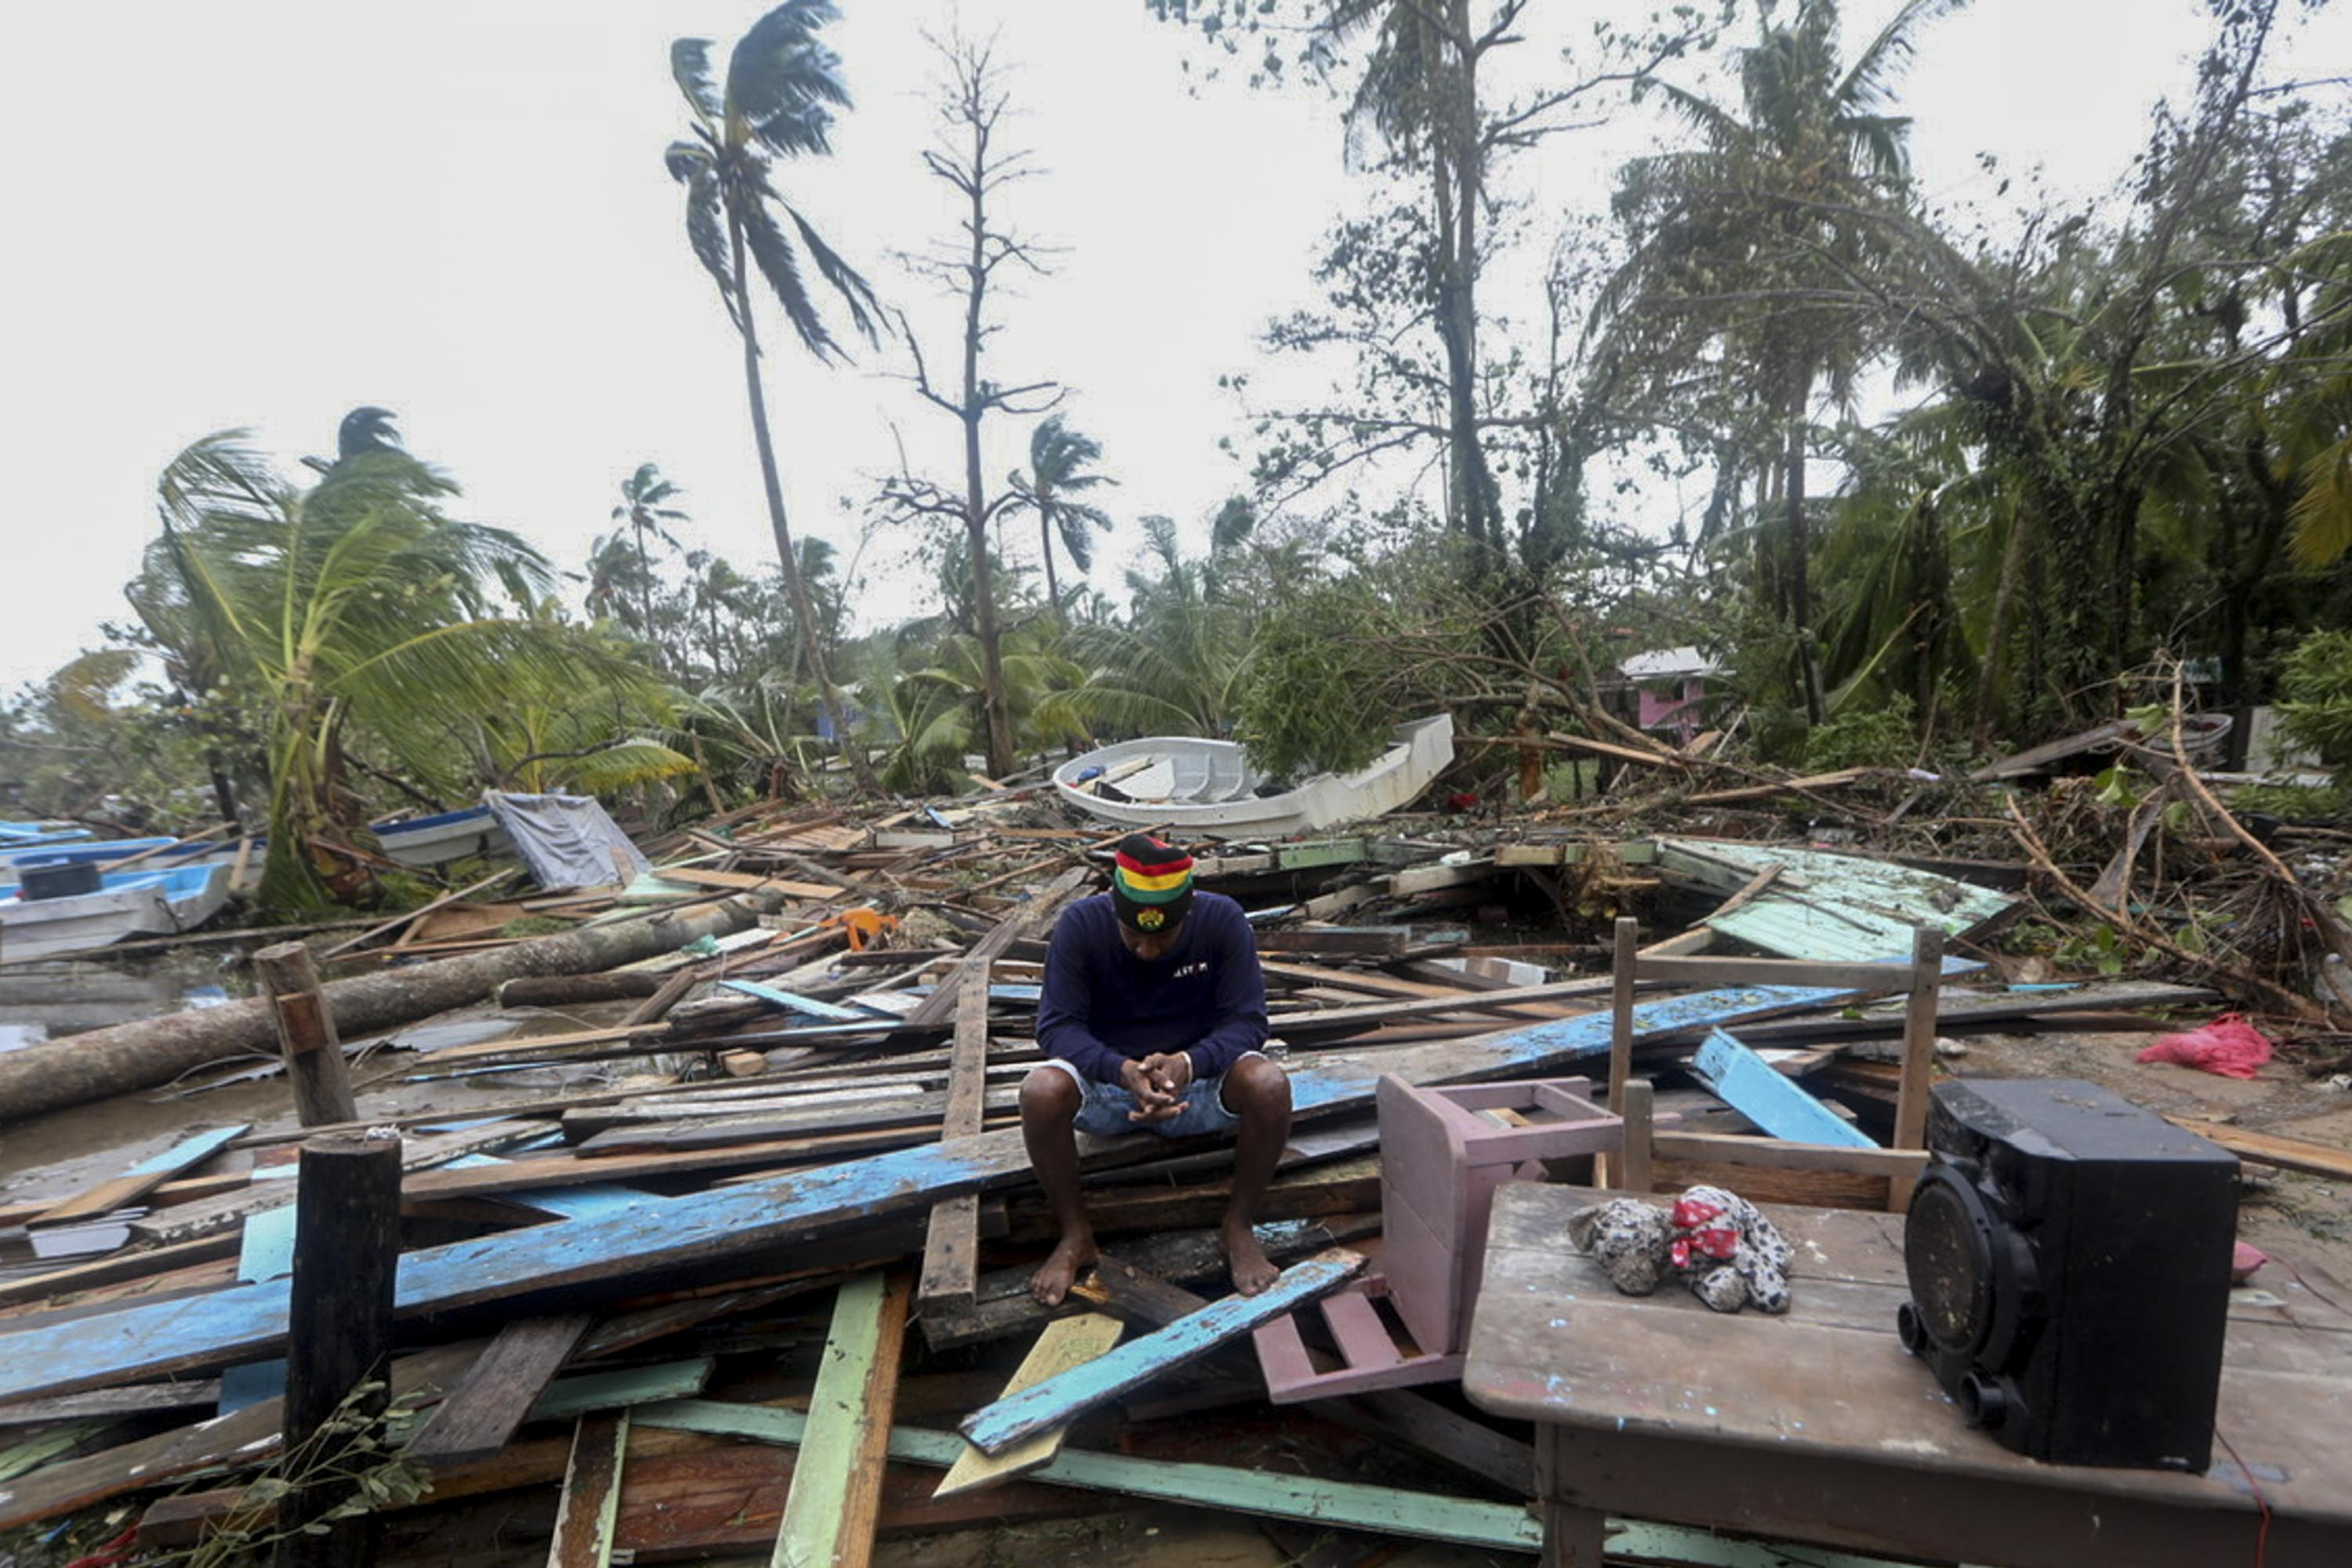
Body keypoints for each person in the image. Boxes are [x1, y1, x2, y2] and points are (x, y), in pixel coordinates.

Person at [1022, 833, 1292, 1305]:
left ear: (1187, 916)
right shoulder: (1080, 925)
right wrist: (1120, 1070)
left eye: (1162, 939)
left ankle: (1237, 1225)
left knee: (1269, 1084)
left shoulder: (1222, 920)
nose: (1147, 952)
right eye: (1134, 938)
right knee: (1040, 1091)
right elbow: (1057, 1026)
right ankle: (1075, 1233)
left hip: (1201, 1084)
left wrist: (1189, 1064)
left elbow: (1248, 1021)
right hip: (1109, 1090)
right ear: (1113, 911)